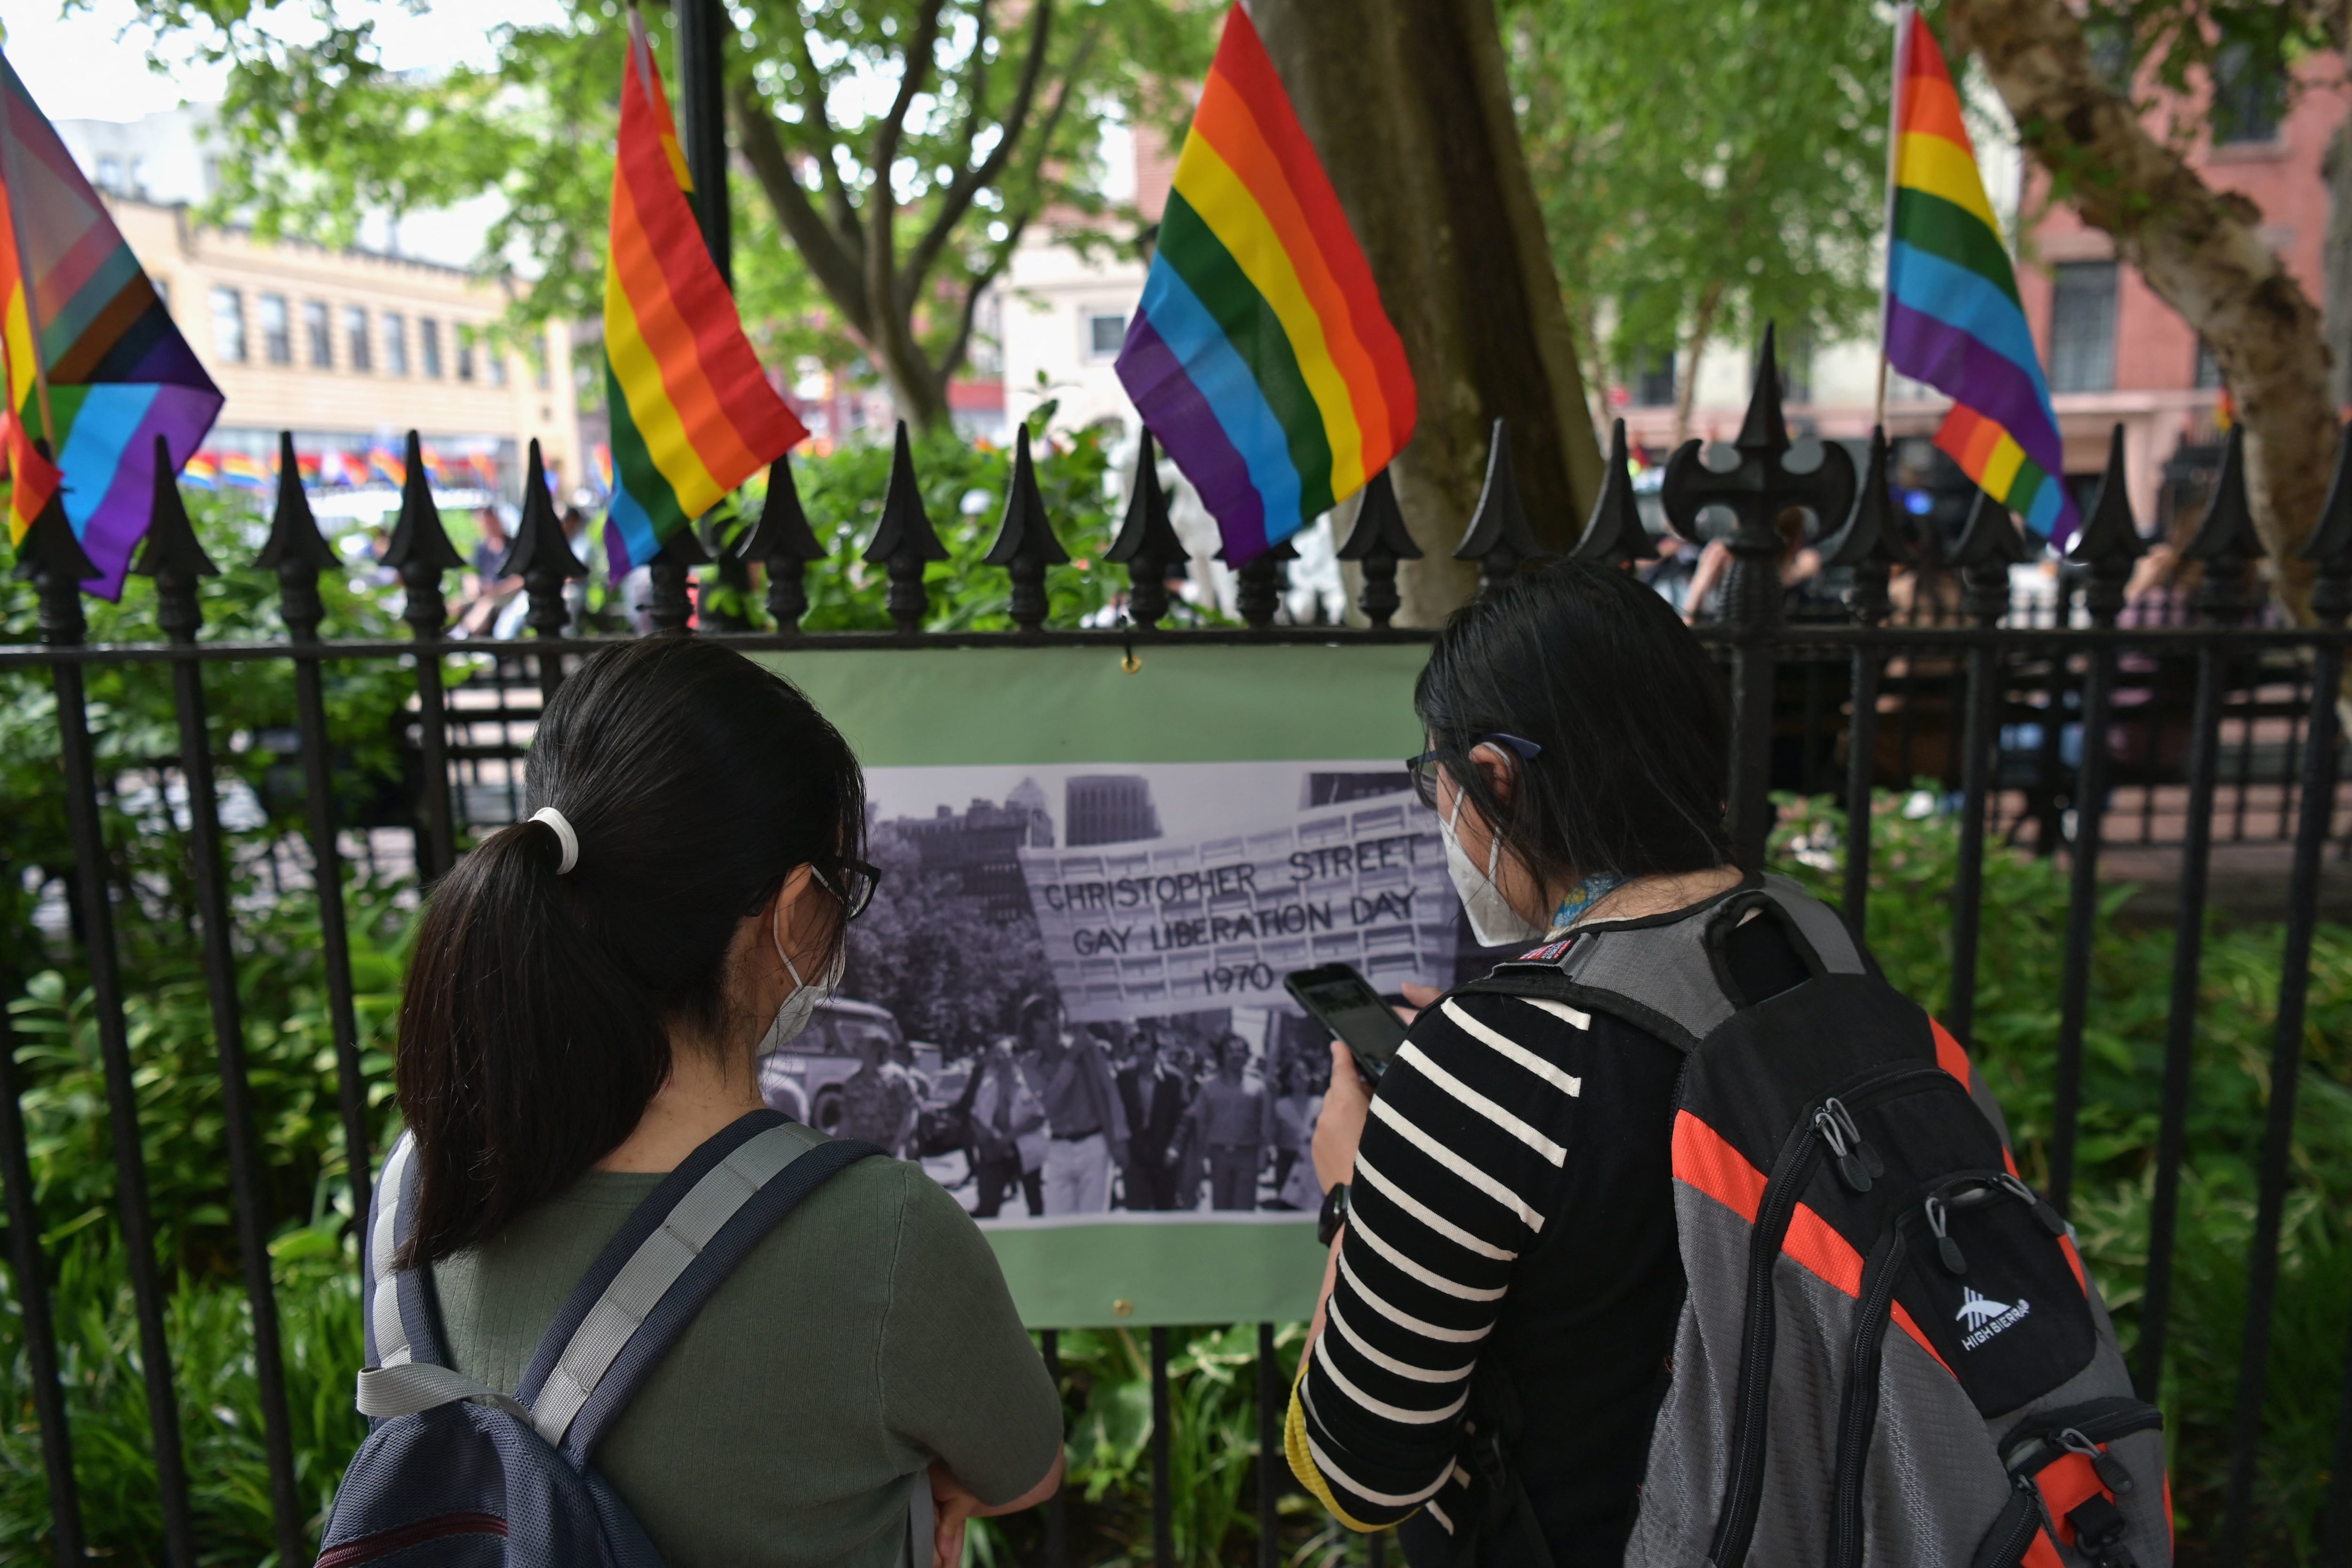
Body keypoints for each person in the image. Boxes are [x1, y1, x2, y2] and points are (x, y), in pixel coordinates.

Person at [389, 638, 1062, 1568]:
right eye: (843, 885)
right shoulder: (881, 1232)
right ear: (790, 911)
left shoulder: (421, 1184)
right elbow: (1023, 1471)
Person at [1288, 557, 1741, 1568]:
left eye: (1433, 782)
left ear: (1493, 777)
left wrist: (1351, 1196)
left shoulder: (1491, 1055)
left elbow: (1362, 1469)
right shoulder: (1815, 952)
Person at [1024, 997, 1128, 1215]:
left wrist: (1119, 1137)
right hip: (1059, 1148)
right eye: (1044, 1018)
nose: (1053, 1022)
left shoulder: (1087, 1048)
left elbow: (1109, 1091)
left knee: (1092, 1224)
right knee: (1057, 1222)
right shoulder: (1031, 1065)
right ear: (1032, 1027)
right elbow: (1050, 1101)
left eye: (1056, 1014)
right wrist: (1072, 1058)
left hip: (1093, 1143)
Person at [1184, 1035, 1275, 1211]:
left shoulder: (1258, 1087)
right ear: (1223, 1055)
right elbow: (1201, 1123)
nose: (1236, 1055)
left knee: (1245, 1209)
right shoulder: (1208, 1087)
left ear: (1247, 1056)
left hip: (1248, 1154)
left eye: (1241, 1051)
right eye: (1231, 1051)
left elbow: (1266, 1124)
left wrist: (1264, 1154)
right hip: (1219, 1155)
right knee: (1221, 1208)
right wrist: (1200, 1158)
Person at [967, 1037, 1047, 1218]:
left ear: (1016, 1056)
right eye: (994, 1054)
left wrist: (1009, 1138)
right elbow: (976, 1116)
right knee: (987, 1206)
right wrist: (986, 1138)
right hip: (994, 1150)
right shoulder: (987, 1085)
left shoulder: (1029, 1083)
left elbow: (1039, 1116)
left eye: (1002, 1054)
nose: (997, 1059)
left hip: (1025, 1149)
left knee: (1035, 1204)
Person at [1113, 1025, 1191, 1211]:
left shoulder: (1174, 1080)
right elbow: (1117, 1115)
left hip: (1164, 1153)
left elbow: (1184, 1118)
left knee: (1165, 1210)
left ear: (1157, 1053)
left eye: (1148, 1054)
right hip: (1136, 1154)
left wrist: (1175, 1147)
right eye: (1139, 1055)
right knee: (1137, 1209)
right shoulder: (1124, 1079)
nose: (1144, 1060)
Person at [835, 1031, 919, 1155]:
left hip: (887, 1145)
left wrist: (898, 1143)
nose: (856, 1045)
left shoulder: (896, 1077)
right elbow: (847, 1117)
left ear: (876, 1049)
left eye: (862, 1043)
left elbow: (910, 1112)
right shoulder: (852, 1080)